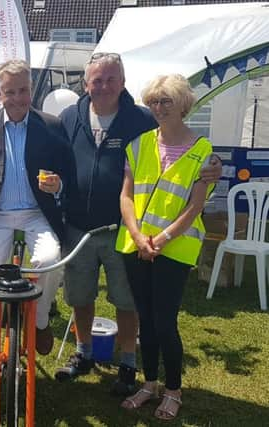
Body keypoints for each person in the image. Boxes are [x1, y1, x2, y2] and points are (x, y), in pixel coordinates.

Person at [55, 53, 221, 395]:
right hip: (78, 227)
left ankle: (129, 362)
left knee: (126, 301)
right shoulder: (69, 117)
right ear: (85, 83)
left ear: (123, 81)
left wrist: (213, 166)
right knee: (80, 296)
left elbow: (177, 142)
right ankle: (84, 352)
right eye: (96, 80)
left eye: (110, 79)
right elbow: (55, 156)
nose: (103, 86)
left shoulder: (141, 118)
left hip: (122, 232)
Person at [0, 59, 69, 376]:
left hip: (36, 213)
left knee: (49, 259)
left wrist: (58, 185)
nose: (17, 98)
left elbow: (67, 173)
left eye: (23, 90)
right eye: (10, 92)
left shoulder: (50, 126)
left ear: (31, 90)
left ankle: (41, 321)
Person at [116, 74, 213, 420]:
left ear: (183, 104)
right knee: (146, 320)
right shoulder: (139, 144)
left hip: (173, 250)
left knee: (164, 321)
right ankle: (150, 383)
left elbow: (195, 207)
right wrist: (140, 237)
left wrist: (161, 240)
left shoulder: (203, 152)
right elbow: (126, 196)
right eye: (154, 102)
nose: (158, 108)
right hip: (136, 245)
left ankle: (173, 390)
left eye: (166, 101)